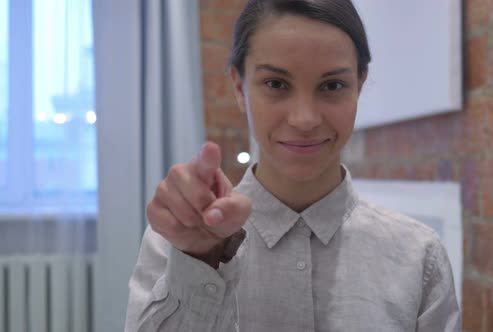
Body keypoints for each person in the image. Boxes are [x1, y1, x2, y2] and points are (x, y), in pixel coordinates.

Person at [125, 0, 461, 331]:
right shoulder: (176, 243)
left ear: (359, 85)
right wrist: (201, 260)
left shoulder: (418, 257)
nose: (304, 119)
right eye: (276, 84)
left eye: (332, 86)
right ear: (240, 87)